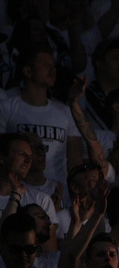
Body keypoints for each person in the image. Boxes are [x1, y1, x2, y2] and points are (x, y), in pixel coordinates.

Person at [0, 46, 83, 187]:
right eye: (45, 64)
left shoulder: (65, 112)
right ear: (28, 71)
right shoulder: (6, 107)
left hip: (58, 192)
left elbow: (75, 160)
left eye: (53, 65)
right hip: (19, 190)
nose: (52, 69)